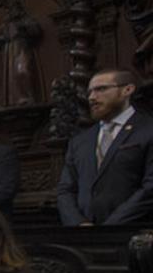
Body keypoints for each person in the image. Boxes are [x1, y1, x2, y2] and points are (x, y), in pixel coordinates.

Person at [58, 69, 153, 225]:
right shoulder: (80, 141)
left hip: (134, 232)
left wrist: (111, 225)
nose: (92, 98)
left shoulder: (147, 129)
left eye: (101, 89)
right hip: (85, 236)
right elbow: (66, 190)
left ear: (127, 90)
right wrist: (78, 223)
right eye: (89, 92)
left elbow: (150, 188)